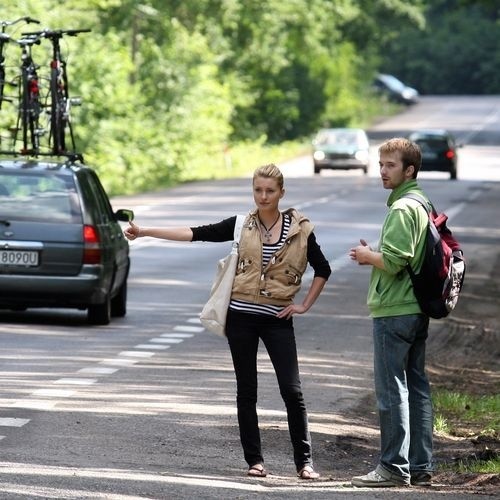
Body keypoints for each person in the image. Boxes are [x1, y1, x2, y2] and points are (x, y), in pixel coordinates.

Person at [124, 163, 331, 479]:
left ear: (281, 193)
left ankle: (304, 463)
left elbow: (323, 269)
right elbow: (196, 233)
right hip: (241, 318)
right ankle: (255, 461)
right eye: (258, 190)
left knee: (292, 391)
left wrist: (303, 305)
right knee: (247, 390)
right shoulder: (240, 225)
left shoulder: (301, 230)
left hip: (277, 319)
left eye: (270, 191)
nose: (263, 197)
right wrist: (146, 231)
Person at [349, 138, 434, 488]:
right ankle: (420, 466)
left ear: (409, 169)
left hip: (395, 309)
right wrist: (377, 253)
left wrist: (368, 256)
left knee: (391, 389)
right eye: (381, 164)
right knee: (416, 386)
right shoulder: (421, 202)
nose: (382, 171)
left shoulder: (402, 209)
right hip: (416, 306)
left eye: (390, 165)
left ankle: (392, 467)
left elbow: (396, 262)